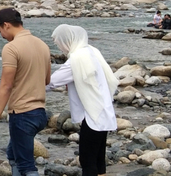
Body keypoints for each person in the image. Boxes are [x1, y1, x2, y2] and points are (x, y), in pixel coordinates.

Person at [0, 8, 51, 176]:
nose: (0, 34)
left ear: (6, 25)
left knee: (27, 166)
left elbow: (6, 86)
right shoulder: (43, 45)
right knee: (13, 154)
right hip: (40, 114)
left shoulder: (11, 48)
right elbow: (47, 81)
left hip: (22, 114)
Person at [47, 25, 118, 176]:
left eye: (59, 42)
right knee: (98, 158)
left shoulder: (76, 59)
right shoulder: (92, 51)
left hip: (93, 115)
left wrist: (25, 87)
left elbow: (51, 82)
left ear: (68, 40)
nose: (59, 46)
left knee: (87, 160)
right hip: (104, 111)